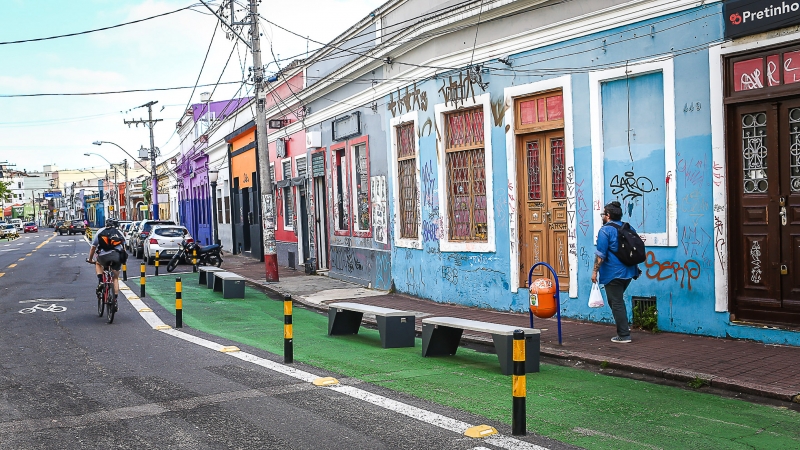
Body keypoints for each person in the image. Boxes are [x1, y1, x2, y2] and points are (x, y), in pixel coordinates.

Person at [591, 201, 640, 343]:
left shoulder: (605, 230)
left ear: (608, 215)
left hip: (613, 273)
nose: (602, 216)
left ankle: (624, 335)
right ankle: (624, 331)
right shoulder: (628, 227)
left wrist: (595, 272)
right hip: (630, 272)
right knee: (616, 301)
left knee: (616, 302)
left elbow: (600, 254)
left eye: (603, 214)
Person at [87, 218, 127, 310]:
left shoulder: (100, 231)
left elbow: (93, 247)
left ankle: (101, 280)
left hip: (103, 257)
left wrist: (90, 259)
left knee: (97, 263)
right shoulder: (119, 232)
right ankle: (115, 300)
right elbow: (124, 247)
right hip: (117, 256)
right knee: (115, 278)